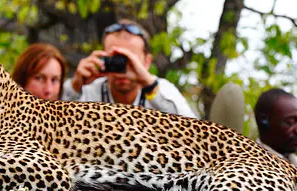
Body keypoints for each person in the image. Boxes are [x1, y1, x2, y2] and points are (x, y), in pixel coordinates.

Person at [63, 19, 197, 118]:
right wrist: (75, 86)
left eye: (130, 60)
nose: (123, 68)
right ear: (102, 57)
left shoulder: (162, 90)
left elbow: (191, 130)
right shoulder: (89, 92)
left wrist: (150, 86)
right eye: (115, 59)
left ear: (146, 62)